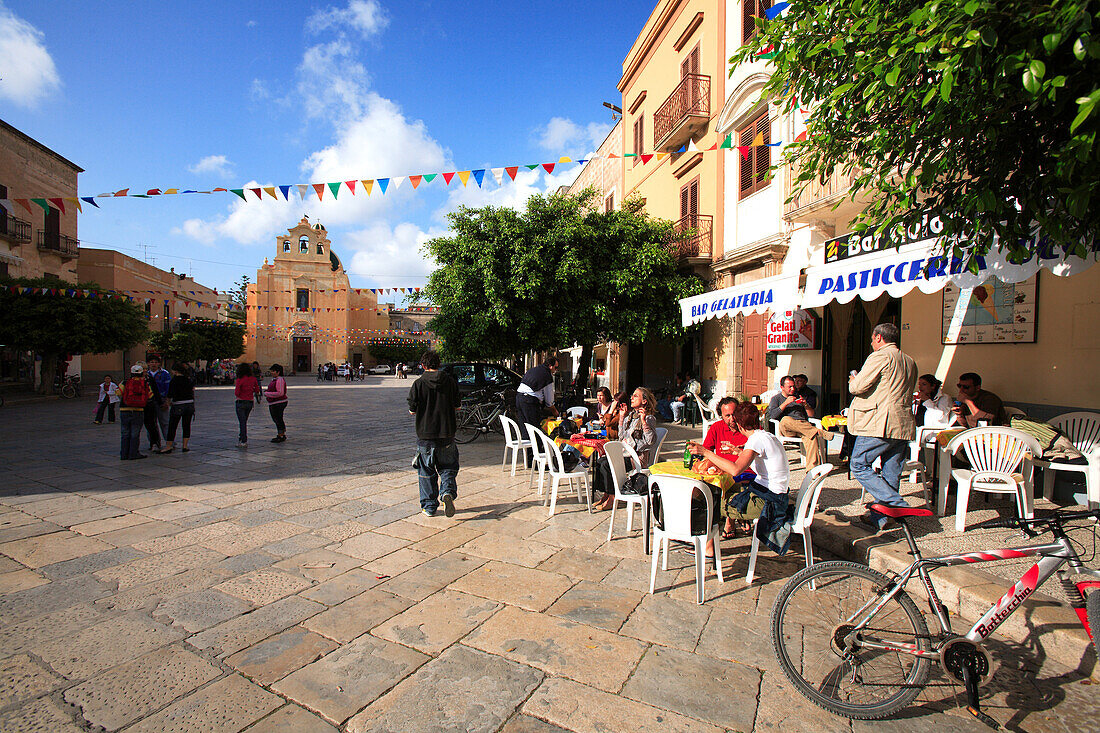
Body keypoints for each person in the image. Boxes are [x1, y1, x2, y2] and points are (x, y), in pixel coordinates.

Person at [688, 401, 792, 558]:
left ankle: (707, 545)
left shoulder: (755, 440)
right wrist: (738, 452)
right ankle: (712, 539)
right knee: (726, 490)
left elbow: (736, 470)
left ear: (739, 423)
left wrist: (706, 452)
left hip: (768, 502)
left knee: (710, 502)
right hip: (776, 496)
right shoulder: (766, 436)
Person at [847, 322, 919, 532]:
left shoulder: (880, 356)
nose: (871, 342)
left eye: (871, 339)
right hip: (903, 422)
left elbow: (858, 387)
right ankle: (881, 518)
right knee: (891, 471)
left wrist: (854, 378)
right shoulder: (909, 360)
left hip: (881, 422)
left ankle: (898, 504)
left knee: (859, 464)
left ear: (879, 337)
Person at [408, 349, 461, 517]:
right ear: (439, 364)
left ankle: (429, 507)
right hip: (447, 433)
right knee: (448, 468)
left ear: (423, 365)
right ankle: (447, 492)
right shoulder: (450, 382)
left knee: (426, 472)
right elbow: (457, 406)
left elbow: (412, 410)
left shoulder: (418, 383)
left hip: (425, 435)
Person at [593, 387, 658, 511]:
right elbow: (621, 436)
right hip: (625, 454)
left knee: (607, 464)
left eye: (636, 396)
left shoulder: (649, 418)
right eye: (632, 396)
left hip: (636, 458)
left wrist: (643, 421)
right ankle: (606, 494)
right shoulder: (631, 416)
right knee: (601, 461)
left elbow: (651, 441)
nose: (632, 398)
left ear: (644, 401)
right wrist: (622, 418)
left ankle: (612, 497)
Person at [768, 376, 834, 468]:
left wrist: (805, 405)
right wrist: (786, 403)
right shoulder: (776, 399)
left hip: (803, 427)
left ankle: (812, 469)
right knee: (786, 419)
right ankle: (819, 431)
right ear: (782, 387)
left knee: (811, 437)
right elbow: (772, 415)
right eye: (789, 387)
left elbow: (811, 415)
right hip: (787, 428)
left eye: (793, 386)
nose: (792, 389)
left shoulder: (798, 396)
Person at [517, 356, 560, 458]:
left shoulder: (535, 369)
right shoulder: (547, 376)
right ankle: (535, 460)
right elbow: (549, 401)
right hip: (529, 402)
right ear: (550, 366)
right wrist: (555, 412)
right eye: (556, 367)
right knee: (534, 430)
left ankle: (528, 459)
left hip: (519, 398)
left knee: (525, 429)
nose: (556, 370)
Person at [119, 364, 154, 460]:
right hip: (138, 410)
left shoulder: (125, 382)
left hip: (124, 410)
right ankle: (133, 453)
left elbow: (118, 392)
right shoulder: (145, 383)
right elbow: (150, 395)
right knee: (135, 433)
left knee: (125, 432)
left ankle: (124, 454)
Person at [161, 362, 195, 453]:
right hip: (189, 404)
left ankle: (168, 446)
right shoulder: (189, 379)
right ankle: (185, 446)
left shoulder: (175, 380)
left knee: (173, 426)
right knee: (186, 425)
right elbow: (192, 392)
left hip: (178, 404)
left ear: (175, 371)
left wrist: (167, 403)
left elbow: (170, 394)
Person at [146, 355, 172, 448]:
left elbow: (168, 388)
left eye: (155, 362)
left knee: (165, 422)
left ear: (159, 363)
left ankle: (169, 441)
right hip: (149, 401)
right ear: (148, 363)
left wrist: (167, 401)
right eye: (151, 362)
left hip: (161, 400)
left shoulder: (164, 373)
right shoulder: (146, 374)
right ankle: (154, 442)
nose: (153, 364)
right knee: (151, 423)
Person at [234, 363, 260, 448]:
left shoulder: (240, 379)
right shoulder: (253, 379)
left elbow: (236, 393)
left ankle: (243, 440)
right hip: (249, 402)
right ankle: (241, 439)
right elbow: (257, 390)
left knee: (242, 422)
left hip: (241, 402)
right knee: (244, 421)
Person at [265, 364, 288, 443]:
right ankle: (281, 433)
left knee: (278, 419)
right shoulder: (275, 379)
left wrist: (267, 394)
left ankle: (281, 435)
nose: (271, 372)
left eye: (273, 371)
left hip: (279, 402)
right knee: (277, 418)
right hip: (275, 402)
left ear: (278, 372)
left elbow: (280, 393)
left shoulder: (279, 380)